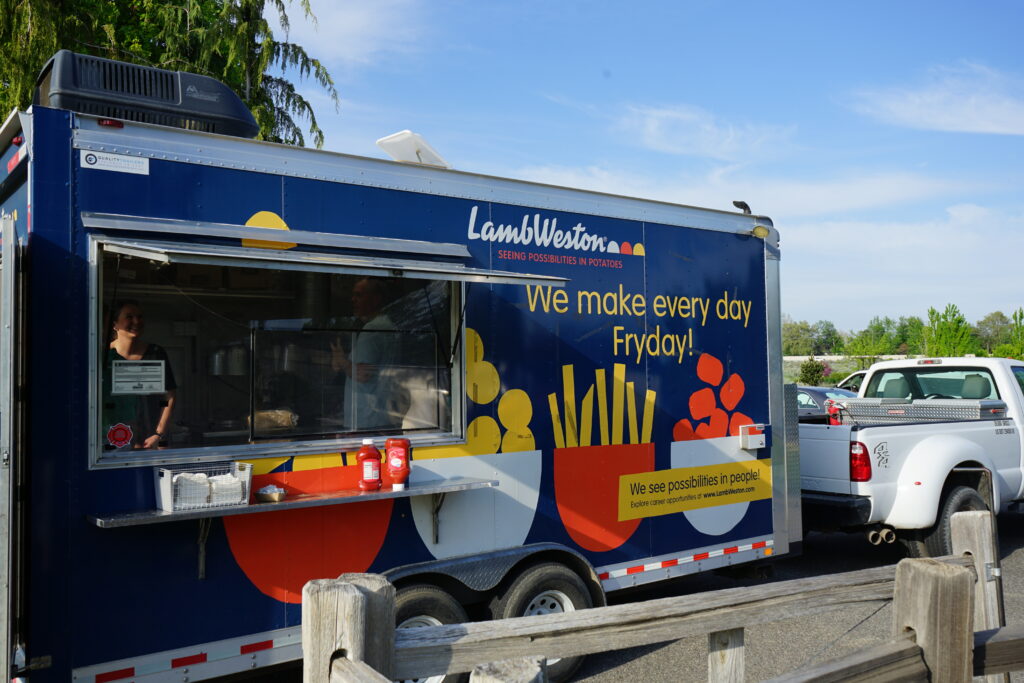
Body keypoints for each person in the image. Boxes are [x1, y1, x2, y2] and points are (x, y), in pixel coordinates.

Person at [103, 300, 177, 450]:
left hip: (151, 441)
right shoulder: (104, 356)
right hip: (114, 439)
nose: (136, 321)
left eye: (140, 316)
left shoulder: (156, 353)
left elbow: (168, 396)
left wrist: (159, 434)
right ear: (115, 324)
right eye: (129, 317)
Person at [329, 277, 400, 431]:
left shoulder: (373, 330)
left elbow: (363, 374)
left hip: (366, 421)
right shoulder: (387, 325)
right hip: (378, 416)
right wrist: (341, 363)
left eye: (359, 295)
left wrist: (343, 362)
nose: (353, 300)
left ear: (376, 299)